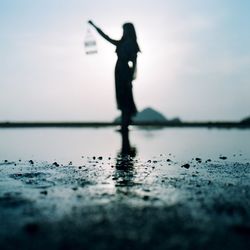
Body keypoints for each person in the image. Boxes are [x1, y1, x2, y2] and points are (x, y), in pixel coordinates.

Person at [88, 20, 140, 131]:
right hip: (119, 71)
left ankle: (125, 124)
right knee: (122, 97)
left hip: (124, 72)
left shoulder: (131, 44)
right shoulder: (121, 42)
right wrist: (94, 26)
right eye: (123, 30)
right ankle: (124, 124)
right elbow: (106, 37)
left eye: (125, 29)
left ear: (129, 31)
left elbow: (134, 61)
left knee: (125, 97)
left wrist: (131, 75)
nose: (124, 32)